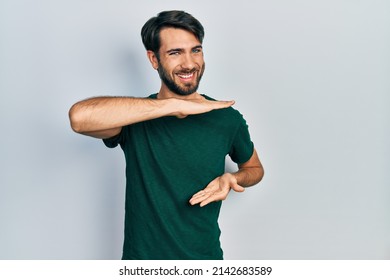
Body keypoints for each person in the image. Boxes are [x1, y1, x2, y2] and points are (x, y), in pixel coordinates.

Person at [69, 10, 264, 260]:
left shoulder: (225, 117)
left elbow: (255, 168)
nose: (189, 63)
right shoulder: (135, 118)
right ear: (154, 59)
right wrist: (173, 106)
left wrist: (232, 178)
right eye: (175, 53)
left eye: (196, 50)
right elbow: (78, 118)